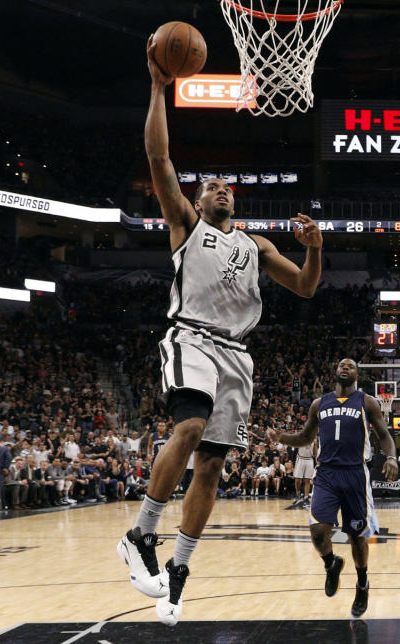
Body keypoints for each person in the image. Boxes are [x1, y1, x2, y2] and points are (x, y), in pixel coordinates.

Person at [118, 32, 323, 628]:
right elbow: (159, 159)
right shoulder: (185, 225)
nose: (221, 189)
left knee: (210, 466)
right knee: (190, 424)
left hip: (238, 355)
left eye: (227, 186)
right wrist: (160, 88)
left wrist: (314, 248)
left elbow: (307, 287)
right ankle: (140, 533)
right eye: (212, 185)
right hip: (191, 337)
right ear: (199, 199)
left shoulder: (256, 245)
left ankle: (177, 571)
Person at [266, 359, 398, 618]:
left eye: (350, 365)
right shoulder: (319, 403)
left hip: (355, 474)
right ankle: (331, 563)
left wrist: (391, 457)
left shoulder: (367, 401)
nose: (345, 367)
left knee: (357, 538)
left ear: (357, 375)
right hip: (326, 473)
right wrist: (282, 438)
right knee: (317, 532)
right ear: (335, 372)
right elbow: (305, 438)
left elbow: (384, 434)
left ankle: (362, 583)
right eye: (341, 364)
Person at [293, 438, 317, 504]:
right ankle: (298, 494)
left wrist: (315, 444)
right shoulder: (301, 437)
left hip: (309, 460)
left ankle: (306, 497)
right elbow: (295, 450)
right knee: (297, 479)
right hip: (300, 459)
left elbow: (315, 454)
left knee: (307, 480)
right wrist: (293, 462)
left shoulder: (314, 439)